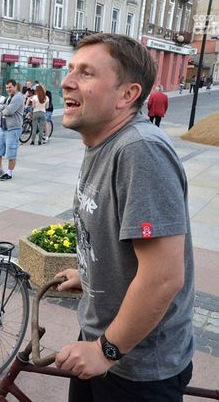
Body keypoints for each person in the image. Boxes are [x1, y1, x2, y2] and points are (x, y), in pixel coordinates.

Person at [54, 33, 194, 402]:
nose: (66, 81)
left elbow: (163, 277)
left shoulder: (140, 150)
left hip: (135, 368)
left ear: (127, 95)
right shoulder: (102, 142)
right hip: (105, 345)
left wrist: (106, 351)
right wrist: (89, 276)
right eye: (71, 69)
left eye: (86, 73)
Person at [0, 79, 24, 180]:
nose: (8, 89)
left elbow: (9, 111)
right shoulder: (9, 97)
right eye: (6, 87)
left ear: (15, 86)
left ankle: (9, 173)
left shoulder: (18, 97)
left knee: (11, 153)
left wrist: (4, 108)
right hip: (3, 128)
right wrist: (4, 108)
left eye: (10, 87)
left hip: (13, 129)